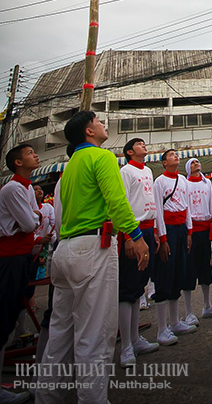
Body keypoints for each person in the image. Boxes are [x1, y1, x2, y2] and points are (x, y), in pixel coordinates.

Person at [35, 111, 149, 404]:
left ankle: (47, 397)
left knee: (60, 333)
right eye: (99, 121)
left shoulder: (70, 166)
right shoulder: (102, 158)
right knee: (95, 334)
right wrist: (136, 237)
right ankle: (93, 399)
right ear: (89, 131)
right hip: (93, 249)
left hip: (65, 251)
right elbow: (117, 200)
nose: (103, 124)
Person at [0, 144, 41, 404]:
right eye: (29, 153)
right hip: (10, 258)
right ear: (17, 162)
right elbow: (29, 222)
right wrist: (33, 219)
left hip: (23, 254)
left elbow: (32, 222)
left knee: (13, 312)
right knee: (3, 317)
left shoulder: (26, 187)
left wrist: (33, 219)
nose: (35, 155)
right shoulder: (13, 188)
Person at [118, 138, 160, 367]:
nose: (144, 146)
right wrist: (127, 236)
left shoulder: (148, 171)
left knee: (139, 288)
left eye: (145, 143)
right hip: (132, 233)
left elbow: (149, 203)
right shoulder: (125, 171)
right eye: (139, 144)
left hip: (147, 231)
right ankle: (125, 346)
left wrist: (153, 232)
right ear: (129, 151)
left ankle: (134, 338)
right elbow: (122, 202)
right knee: (127, 287)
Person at [152, 148, 196, 343]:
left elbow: (187, 206)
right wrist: (162, 238)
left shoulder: (183, 180)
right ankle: (162, 328)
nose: (175, 156)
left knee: (179, 271)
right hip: (167, 230)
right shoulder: (159, 182)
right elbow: (157, 211)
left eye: (176, 155)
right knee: (165, 274)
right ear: (163, 162)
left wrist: (189, 232)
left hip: (181, 229)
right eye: (171, 155)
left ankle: (175, 321)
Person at [182, 158, 212, 324]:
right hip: (191, 230)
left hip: (205, 230)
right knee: (189, 269)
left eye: (197, 162)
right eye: (192, 163)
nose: (196, 164)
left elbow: (211, 204)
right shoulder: (184, 184)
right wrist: (188, 230)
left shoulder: (207, 184)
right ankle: (188, 311)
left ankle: (207, 305)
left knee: (206, 267)